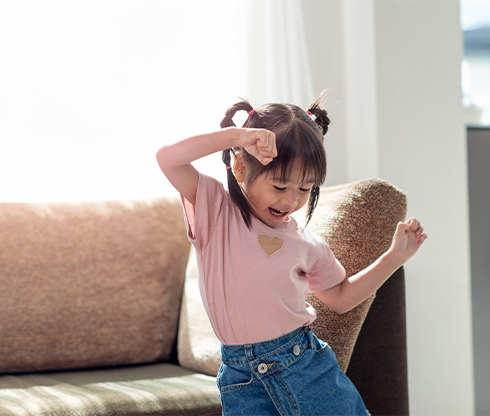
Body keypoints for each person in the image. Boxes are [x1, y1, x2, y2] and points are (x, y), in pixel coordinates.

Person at [156, 96, 427, 416]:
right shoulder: (216, 212)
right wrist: (240, 138)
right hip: (241, 378)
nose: (291, 200)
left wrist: (394, 258)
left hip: (305, 366)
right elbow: (168, 158)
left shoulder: (307, 244)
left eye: (305, 189)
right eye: (280, 186)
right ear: (241, 167)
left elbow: (340, 297)